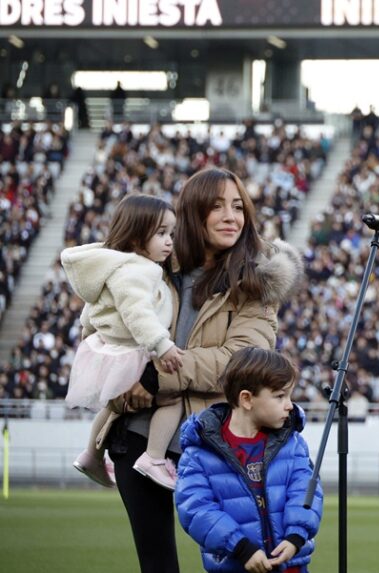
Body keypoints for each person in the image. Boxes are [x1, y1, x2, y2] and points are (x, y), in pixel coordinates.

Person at [99, 167, 304, 573]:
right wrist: (128, 388)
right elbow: (111, 341)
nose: (232, 216)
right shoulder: (147, 269)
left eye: (237, 206)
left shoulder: (257, 284)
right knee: (157, 564)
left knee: (231, 562)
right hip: (138, 436)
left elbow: (240, 360)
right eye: (216, 206)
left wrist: (155, 378)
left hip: (214, 443)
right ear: (191, 213)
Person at [63, 195, 187, 490]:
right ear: (134, 236)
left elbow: (93, 308)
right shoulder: (137, 270)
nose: (169, 241)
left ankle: (91, 454)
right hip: (132, 350)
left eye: (171, 233)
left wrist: (89, 335)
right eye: (160, 234)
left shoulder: (115, 266)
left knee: (115, 406)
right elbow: (137, 313)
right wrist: (162, 344)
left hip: (111, 349)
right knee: (174, 397)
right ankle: (154, 457)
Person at [176, 347, 324, 573]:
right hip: (236, 565)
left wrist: (296, 536)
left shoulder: (292, 444)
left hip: (290, 567)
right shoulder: (200, 452)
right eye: (279, 396)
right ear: (246, 399)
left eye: (289, 396)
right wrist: (240, 547)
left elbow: (306, 491)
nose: (290, 405)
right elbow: (196, 509)